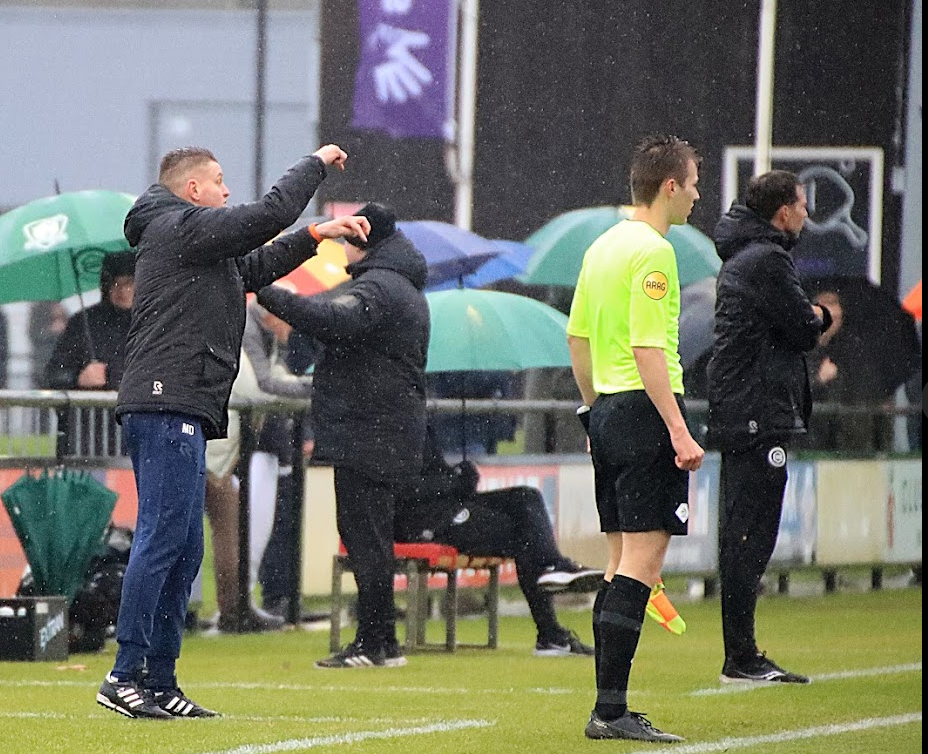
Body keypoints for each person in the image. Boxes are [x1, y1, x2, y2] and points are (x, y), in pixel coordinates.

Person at [96, 143, 370, 720]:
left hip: (184, 405)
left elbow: (257, 264)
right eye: (219, 182)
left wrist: (317, 234)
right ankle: (124, 674)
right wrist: (315, 165)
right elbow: (267, 214)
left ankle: (161, 681)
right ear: (192, 190)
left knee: (183, 545)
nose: (226, 191)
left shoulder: (197, 243)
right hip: (165, 403)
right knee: (163, 538)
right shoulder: (178, 227)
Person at [566, 134, 705, 743]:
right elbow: (649, 347)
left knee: (618, 565)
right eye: (694, 182)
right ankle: (611, 710)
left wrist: (596, 414)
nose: (699, 194)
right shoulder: (654, 251)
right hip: (647, 413)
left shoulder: (601, 247)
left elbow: (577, 340)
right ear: (669, 186)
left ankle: (608, 706)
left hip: (607, 411)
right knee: (640, 569)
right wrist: (678, 428)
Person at [257, 201, 430, 670]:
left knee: (365, 539)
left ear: (363, 241)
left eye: (345, 242)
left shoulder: (380, 287)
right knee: (368, 537)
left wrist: (266, 292)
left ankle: (375, 643)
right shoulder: (398, 283)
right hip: (381, 429)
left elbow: (335, 322)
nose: (340, 254)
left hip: (369, 431)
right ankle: (381, 640)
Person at [706, 169, 831, 686]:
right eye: (802, 205)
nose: (805, 215)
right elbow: (803, 328)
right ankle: (741, 656)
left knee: (747, 532)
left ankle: (742, 651)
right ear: (783, 212)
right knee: (749, 534)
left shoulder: (747, 255)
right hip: (757, 413)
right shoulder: (767, 259)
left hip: (745, 410)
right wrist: (821, 313)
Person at [396, 421, 603, 655]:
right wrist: (453, 481)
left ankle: (554, 568)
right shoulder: (392, 418)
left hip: (445, 505)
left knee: (526, 498)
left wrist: (460, 475)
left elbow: (431, 472)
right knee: (522, 533)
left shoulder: (415, 413)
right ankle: (550, 631)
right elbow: (402, 488)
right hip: (423, 521)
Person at [203, 300, 314, 633]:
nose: (290, 330)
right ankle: (233, 610)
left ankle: (231, 608)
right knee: (228, 530)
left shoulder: (248, 328)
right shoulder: (247, 333)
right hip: (216, 449)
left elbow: (268, 379)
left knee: (223, 529)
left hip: (213, 444)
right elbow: (260, 387)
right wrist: (313, 388)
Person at [45, 251, 136, 456]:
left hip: (136, 438)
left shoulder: (153, 324)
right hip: (87, 441)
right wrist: (79, 378)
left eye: (129, 282)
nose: (122, 290)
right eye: (115, 283)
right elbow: (53, 375)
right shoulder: (83, 324)